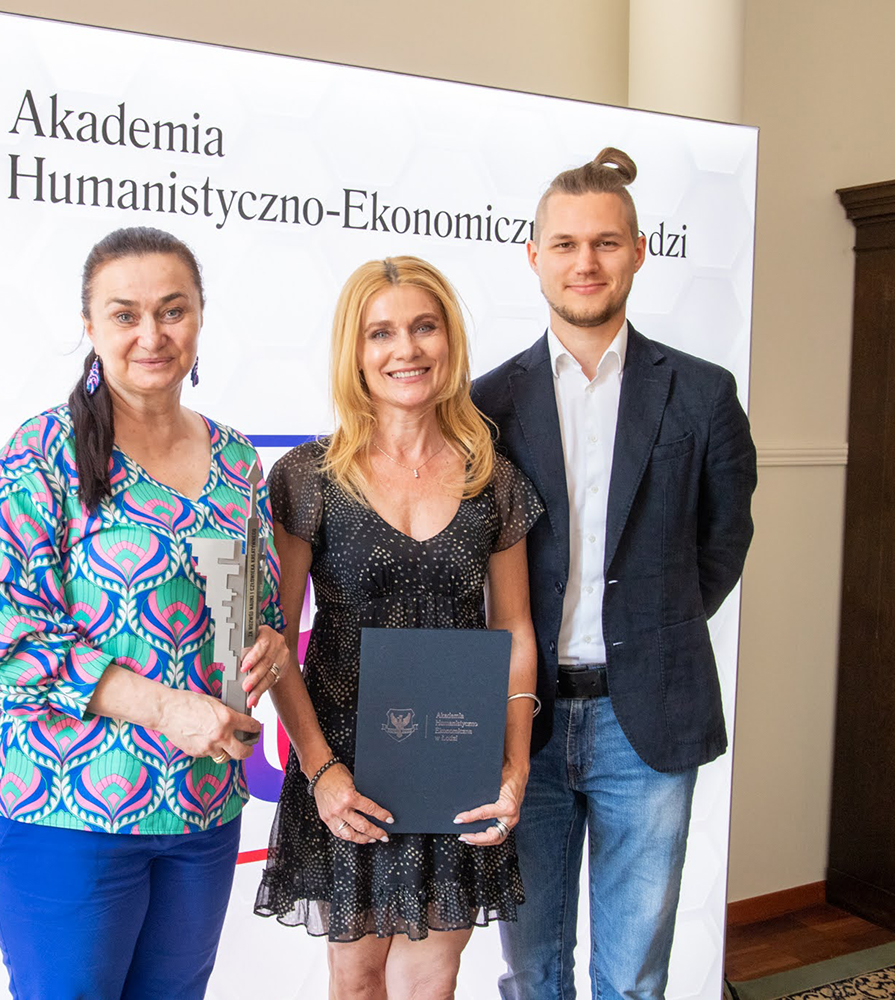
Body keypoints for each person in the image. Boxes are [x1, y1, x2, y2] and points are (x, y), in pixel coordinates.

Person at [0, 226, 293, 1000]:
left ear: (200, 317)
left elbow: (255, 604)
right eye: (125, 314)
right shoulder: (39, 457)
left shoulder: (236, 459)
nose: (152, 335)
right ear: (90, 326)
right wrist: (167, 709)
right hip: (65, 812)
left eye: (173, 311)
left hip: (202, 812)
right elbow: (4, 643)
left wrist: (268, 644)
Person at [471, 148, 757, 1000]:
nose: (585, 262)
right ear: (534, 257)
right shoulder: (484, 406)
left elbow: (724, 541)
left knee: (633, 978)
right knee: (532, 970)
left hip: (651, 721)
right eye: (564, 244)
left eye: (604, 242)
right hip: (523, 720)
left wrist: (653, 631)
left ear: (638, 251)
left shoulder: (703, 395)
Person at [255, 256, 543, 1000]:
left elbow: (513, 629)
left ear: (450, 340)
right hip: (345, 770)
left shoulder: (492, 478)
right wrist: (320, 771)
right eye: (380, 333)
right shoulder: (308, 477)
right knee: (355, 981)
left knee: (431, 980)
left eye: (423, 327)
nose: (405, 349)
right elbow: (274, 638)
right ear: (354, 351)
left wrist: (513, 767)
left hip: (456, 760)